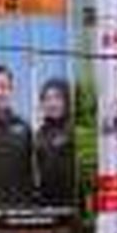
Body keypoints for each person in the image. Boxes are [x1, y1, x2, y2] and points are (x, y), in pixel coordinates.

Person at [0, 64, 34, 208]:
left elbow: (31, 171)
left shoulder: (24, 128)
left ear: (11, 90)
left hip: (19, 210)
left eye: (3, 87)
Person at [33, 78, 77, 207]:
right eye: (47, 99)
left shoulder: (73, 129)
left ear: (66, 101)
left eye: (57, 98)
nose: (52, 103)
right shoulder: (39, 135)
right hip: (47, 205)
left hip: (71, 204)